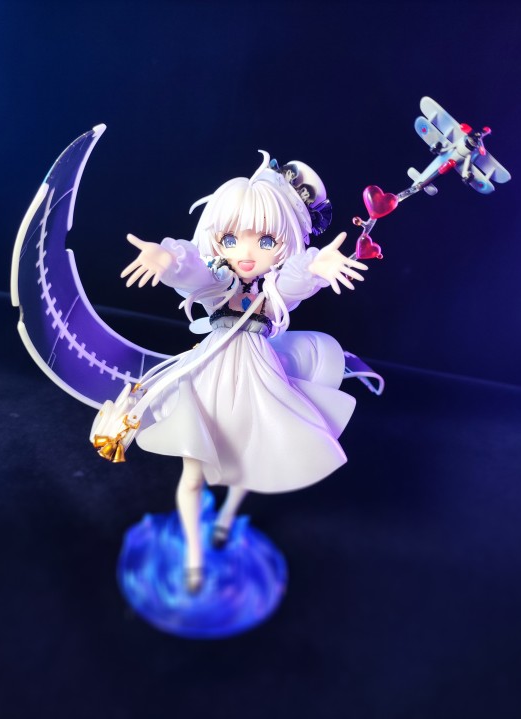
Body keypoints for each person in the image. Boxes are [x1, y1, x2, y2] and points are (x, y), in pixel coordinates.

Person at [119, 150, 367, 592]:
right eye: (231, 239)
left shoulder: (274, 291)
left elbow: (293, 279)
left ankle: (227, 517)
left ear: (285, 243)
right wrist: (170, 260)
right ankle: (194, 558)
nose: (247, 253)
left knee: (251, 456)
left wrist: (315, 267)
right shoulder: (220, 283)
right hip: (208, 377)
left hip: (258, 380)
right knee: (192, 475)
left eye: (266, 241)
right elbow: (197, 274)